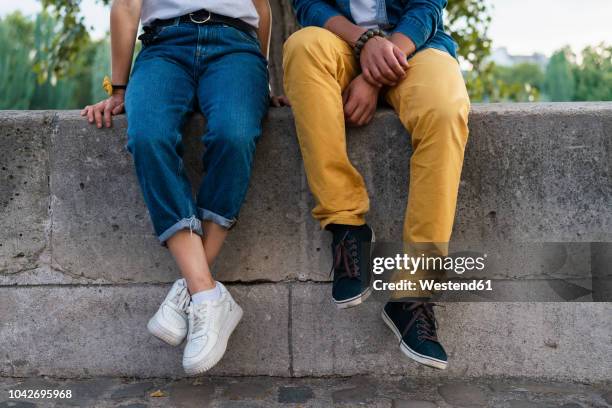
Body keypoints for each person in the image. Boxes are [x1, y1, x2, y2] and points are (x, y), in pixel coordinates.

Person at [82, 0, 287, 375]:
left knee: (235, 133)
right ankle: (206, 293)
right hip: (163, 47)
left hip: (236, 46)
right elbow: (127, 5)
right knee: (147, 136)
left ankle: (192, 286)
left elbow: (263, 9)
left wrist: (260, 83)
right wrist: (119, 89)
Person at [283, 0, 470, 369]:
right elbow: (307, 4)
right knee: (301, 48)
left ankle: (414, 292)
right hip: (341, 43)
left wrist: (373, 75)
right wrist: (365, 41)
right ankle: (346, 226)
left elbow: (427, 7)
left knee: (446, 111)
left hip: (416, 46)